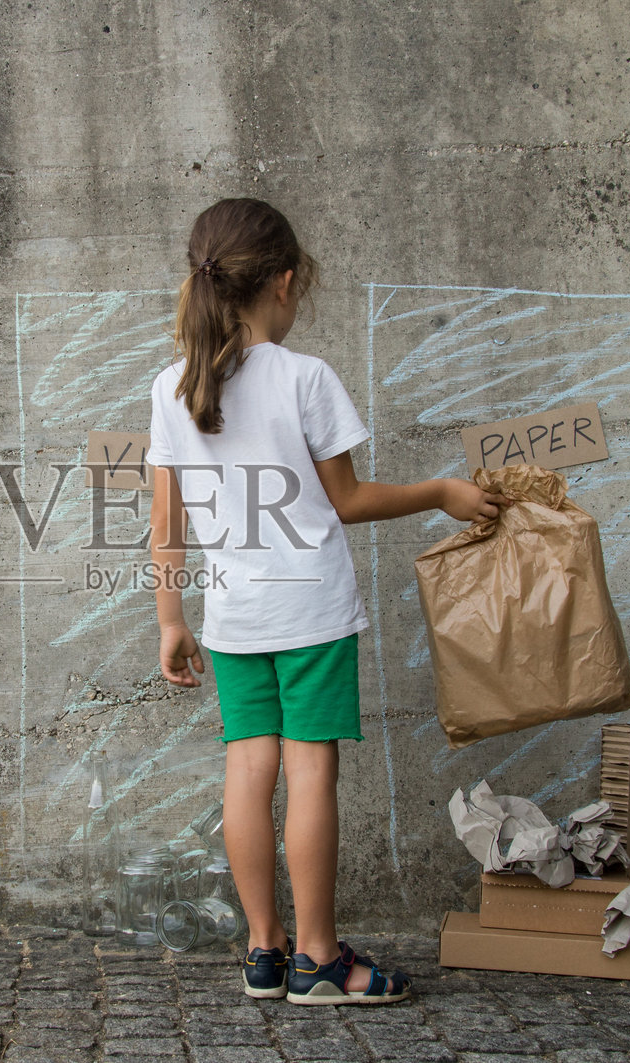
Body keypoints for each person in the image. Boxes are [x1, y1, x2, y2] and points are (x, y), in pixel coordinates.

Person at [146, 198, 505, 1005]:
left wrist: (171, 620)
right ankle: (318, 957)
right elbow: (347, 498)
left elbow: (164, 523)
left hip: (233, 615)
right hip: (310, 610)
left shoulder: (169, 387)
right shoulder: (305, 377)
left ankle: (264, 951)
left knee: (248, 766)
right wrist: (443, 490)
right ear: (283, 282)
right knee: (310, 769)